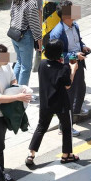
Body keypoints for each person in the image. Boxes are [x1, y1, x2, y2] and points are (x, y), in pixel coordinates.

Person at [0, 43, 32, 178]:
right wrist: (18, 97)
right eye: (5, 57)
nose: (8, 59)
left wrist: (17, 88)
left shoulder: (6, 64)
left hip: (5, 111)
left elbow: (13, 79)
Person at [26, 39, 79, 167]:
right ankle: (66, 155)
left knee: (41, 127)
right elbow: (68, 85)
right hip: (61, 103)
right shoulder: (64, 68)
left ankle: (31, 154)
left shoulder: (42, 64)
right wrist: (73, 69)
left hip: (46, 103)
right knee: (66, 128)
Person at [7, 0, 42, 86]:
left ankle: (13, 88)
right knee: (26, 67)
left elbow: (11, 14)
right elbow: (34, 23)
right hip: (25, 36)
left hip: (14, 34)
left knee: (19, 62)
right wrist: (39, 39)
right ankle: (22, 91)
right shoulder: (31, 2)